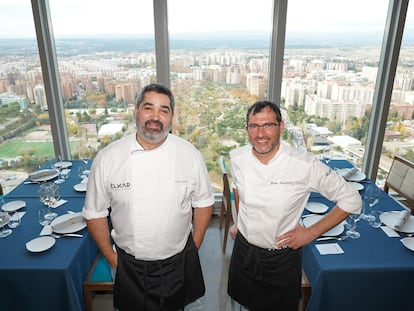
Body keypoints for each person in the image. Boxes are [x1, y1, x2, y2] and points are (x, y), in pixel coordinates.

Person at [82, 83, 215, 311]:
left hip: (178, 262)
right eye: (148, 108)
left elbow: (203, 202)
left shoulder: (189, 154)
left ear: (172, 116)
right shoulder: (108, 158)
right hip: (130, 266)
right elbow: (95, 214)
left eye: (164, 110)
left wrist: (195, 244)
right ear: (136, 110)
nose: (155, 117)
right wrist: (113, 259)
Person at [227, 100, 362, 311]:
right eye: (254, 126)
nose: (260, 133)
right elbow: (237, 187)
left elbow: (352, 199)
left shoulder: (304, 165)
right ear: (247, 129)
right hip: (244, 249)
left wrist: (311, 233)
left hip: (280, 258)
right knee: (246, 303)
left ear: (280, 126)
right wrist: (239, 221)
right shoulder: (238, 158)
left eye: (268, 125)